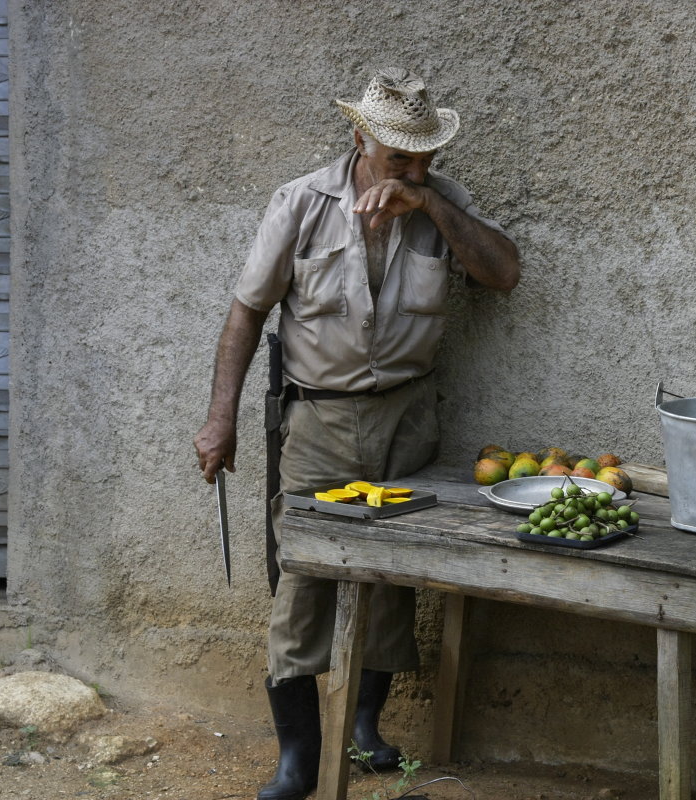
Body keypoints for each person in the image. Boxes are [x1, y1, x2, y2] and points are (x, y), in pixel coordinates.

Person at [193, 67, 520, 800]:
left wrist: (431, 204)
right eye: (397, 157)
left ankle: (366, 729)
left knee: (392, 577)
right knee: (305, 579)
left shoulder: (441, 199)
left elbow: (503, 274)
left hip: (408, 418)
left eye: (423, 158)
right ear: (358, 138)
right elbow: (246, 314)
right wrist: (221, 418)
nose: (411, 169)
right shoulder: (303, 202)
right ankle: (297, 760)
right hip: (319, 420)